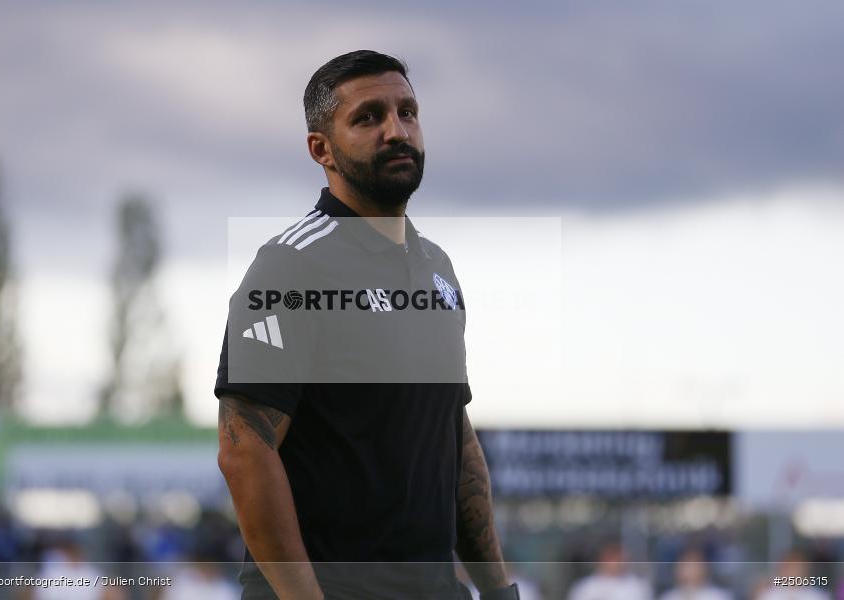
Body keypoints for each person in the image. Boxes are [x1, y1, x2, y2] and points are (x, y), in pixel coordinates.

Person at [215, 50, 519, 599]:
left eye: (408, 112)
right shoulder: (293, 265)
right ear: (321, 149)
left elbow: (453, 435)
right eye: (368, 117)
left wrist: (499, 590)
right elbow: (245, 450)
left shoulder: (438, 269)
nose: (396, 131)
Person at [567, 543, 652, 600]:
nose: (615, 563)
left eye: (618, 558)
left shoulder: (638, 587)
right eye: (611, 558)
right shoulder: (585, 587)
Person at [658, 549, 732, 600]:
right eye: (684, 565)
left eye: (693, 565)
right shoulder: (669, 597)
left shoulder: (718, 596)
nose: (688, 571)